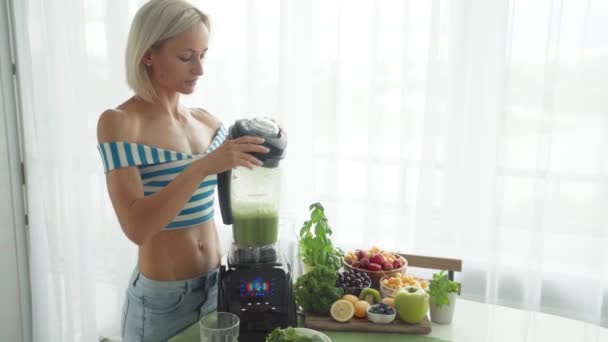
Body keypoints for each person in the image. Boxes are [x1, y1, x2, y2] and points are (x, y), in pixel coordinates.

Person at [96, 1, 269, 341]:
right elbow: (137, 227)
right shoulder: (120, 123)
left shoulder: (207, 122)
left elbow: (241, 193)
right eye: (186, 56)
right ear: (148, 55)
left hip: (217, 288)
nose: (199, 69)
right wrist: (202, 166)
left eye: (203, 54)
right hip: (163, 302)